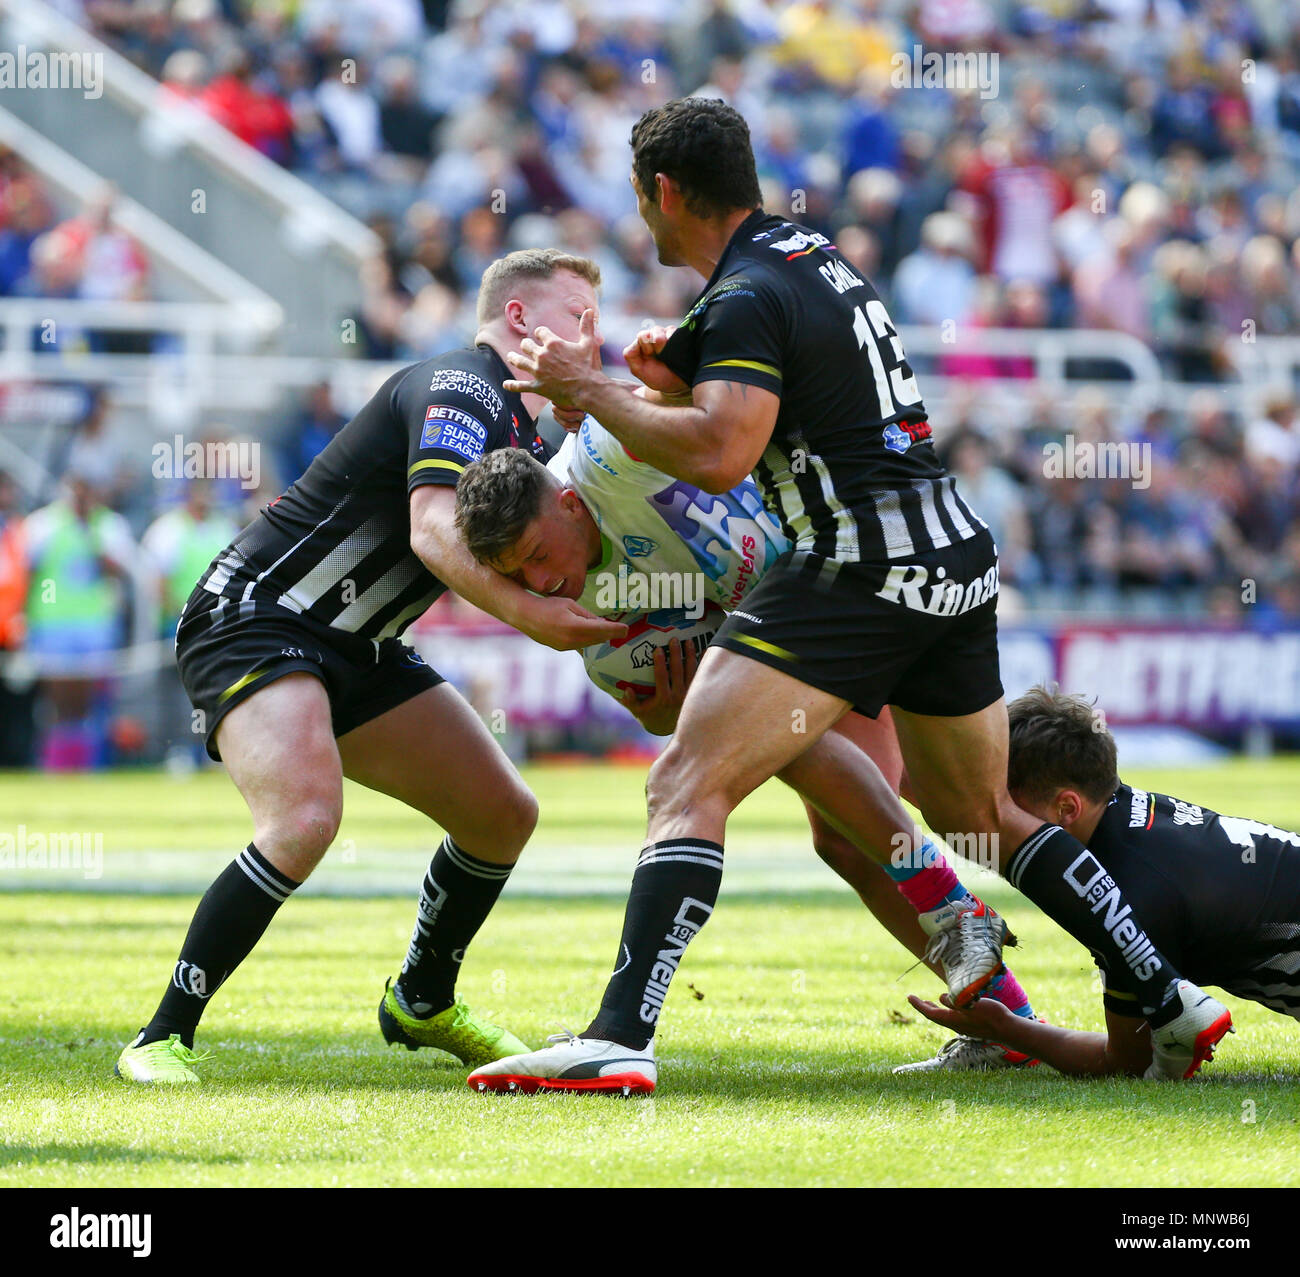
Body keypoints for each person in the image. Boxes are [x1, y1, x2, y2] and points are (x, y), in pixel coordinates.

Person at [468, 98, 1230, 1095]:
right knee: (975, 810)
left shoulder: (741, 293)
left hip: (856, 559)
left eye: (639, 202)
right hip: (949, 548)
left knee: (685, 784)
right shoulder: (805, 256)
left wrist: (595, 387)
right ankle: (1163, 992)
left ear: (662, 192)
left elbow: (725, 449)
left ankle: (619, 1032)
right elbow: (786, 385)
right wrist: (672, 370)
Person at [115, 249, 624, 1084]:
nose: (592, 337)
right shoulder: (465, 384)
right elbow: (431, 531)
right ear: (522, 321)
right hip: (258, 617)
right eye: (578, 316)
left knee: (502, 813)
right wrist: (538, 616)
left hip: (358, 645)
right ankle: (161, 1033)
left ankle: (420, 1000)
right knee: (306, 817)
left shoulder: (531, 432)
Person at [455, 419, 1043, 1065]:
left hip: (854, 563)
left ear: (569, 500)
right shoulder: (567, 608)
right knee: (850, 834)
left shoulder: (617, 457)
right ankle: (1011, 1020)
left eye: (539, 555)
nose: (538, 586)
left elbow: (702, 400)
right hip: (802, 605)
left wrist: (593, 386)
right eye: (518, 575)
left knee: (953, 809)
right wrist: (689, 705)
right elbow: (658, 713)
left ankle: (993, 928)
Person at [905, 686, 1298, 1078]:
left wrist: (1006, 1029)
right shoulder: (1132, 815)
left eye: (1007, 809)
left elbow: (1126, 1063)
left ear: (1067, 808)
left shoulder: (1127, 893)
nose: (995, 824)